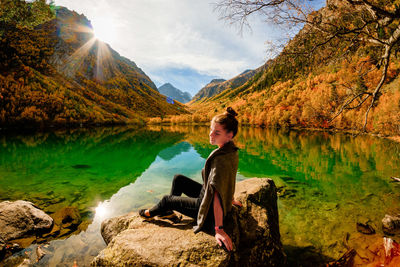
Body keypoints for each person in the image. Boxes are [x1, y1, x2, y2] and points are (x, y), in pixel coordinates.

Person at [139, 107, 241, 251]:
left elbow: (217, 193)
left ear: (229, 135)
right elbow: (228, 179)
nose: (211, 134)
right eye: (211, 129)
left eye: (217, 132)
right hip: (207, 196)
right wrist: (230, 199)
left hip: (206, 208)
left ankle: (149, 214)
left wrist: (218, 229)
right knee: (178, 179)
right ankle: (167, 212)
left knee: (166, 200)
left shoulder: (220, 160)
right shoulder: (231, 150)